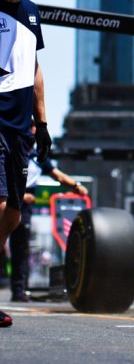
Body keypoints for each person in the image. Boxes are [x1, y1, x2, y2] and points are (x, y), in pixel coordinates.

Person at [0, 0, 51, 328]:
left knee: (13, 217)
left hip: (21, 130)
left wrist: (44, 123)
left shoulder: (32, 11)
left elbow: (33, 70)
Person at [9, 124, 88, 302]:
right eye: (30, 131)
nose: (33, 135)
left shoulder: (38, 158)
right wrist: (20, 196)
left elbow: (58, 175)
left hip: (24, 210)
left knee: (20, 250)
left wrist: (76, 186)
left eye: (35, 132)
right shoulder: (9, 151)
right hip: (7, 200)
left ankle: (18, 291)